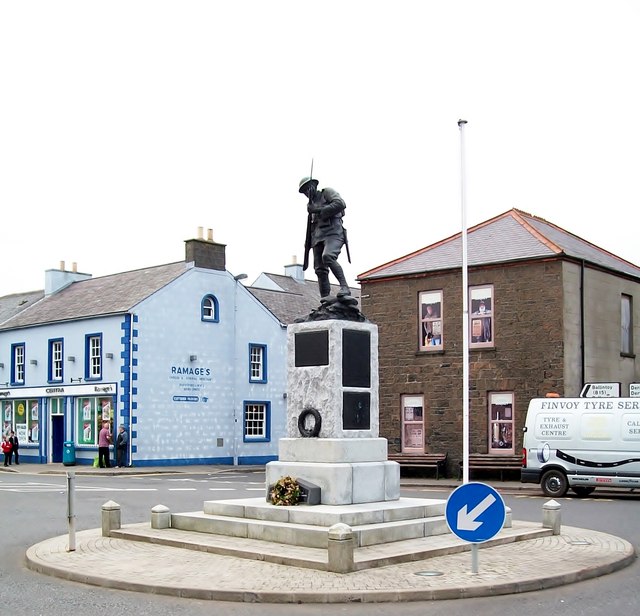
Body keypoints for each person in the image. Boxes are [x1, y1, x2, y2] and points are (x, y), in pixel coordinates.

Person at [299, 176, 351, 300]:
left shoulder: (326, 193)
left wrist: (317, 210)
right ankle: (325, 299)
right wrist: (308, 243)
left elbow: (340, 204)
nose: (307, 192)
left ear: (314, 186)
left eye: (308, 188)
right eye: (304, 191)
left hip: (334, 232)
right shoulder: (310, 205)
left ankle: (345, 287)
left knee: (328, 256)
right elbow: (312, 226)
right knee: (319, 269)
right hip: (318, 237)